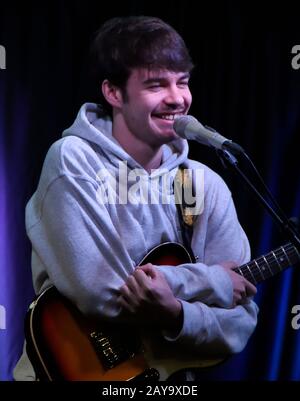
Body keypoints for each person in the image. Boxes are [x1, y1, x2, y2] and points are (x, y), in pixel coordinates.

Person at [14, 16, 258, 381]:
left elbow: (239, 322)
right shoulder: (73, 159)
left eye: (183, 82)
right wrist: (214, 282)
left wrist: (176, 313)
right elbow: (104, 292)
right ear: (114, 93)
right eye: (156, 85)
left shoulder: (204, 183)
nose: (177, 98)